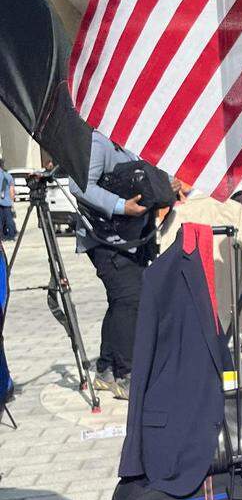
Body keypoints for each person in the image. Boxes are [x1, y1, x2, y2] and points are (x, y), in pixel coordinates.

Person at [68, 130, 154, 399]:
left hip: (131, 240)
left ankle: (106, 369)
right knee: (130, 299)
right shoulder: (100, 140)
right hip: (106, 239)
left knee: (122, 301)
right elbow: (78, 185)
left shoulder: (132, 143)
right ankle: (126, 375)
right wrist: (120, 206)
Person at [0, 158, 15, 240]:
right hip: (7, 202)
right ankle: (11, 235)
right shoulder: (8, 176)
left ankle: (1, 236)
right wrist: (12, 201)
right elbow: (12, 190)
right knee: (9, 219)